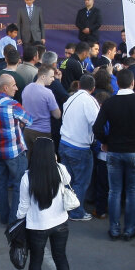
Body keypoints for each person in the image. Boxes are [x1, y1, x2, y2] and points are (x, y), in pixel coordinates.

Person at [93, 68, 135, 240]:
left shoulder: (109, 103)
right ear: (133, 83)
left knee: (114, 191)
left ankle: (114, 229)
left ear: (117, 83)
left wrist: (106, 141)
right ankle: (129, 229)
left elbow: (97, 128)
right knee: (132, 192)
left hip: (114, 151)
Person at [17, 138, 74, 270]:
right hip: (60, 223)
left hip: (37, 226)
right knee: (61, 258)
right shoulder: (60, 170)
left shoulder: (27, 177)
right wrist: (56, 162)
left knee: (36, 260)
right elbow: (68, 180)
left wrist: (19, 218)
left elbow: (23, 206)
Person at [0, 73, 34, 225]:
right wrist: (20, 123)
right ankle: (14, 219)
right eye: (14, 85)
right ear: (6, 87)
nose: (16, 88)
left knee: (0, 185)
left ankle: (4, 216)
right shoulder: (13, 105)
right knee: (18, 185)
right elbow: (29, 120)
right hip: (14, 151)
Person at [59, 74, 100, 222]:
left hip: (64, 143)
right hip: (79, 147)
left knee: (68, 180)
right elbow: (97, 123)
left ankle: (67, 208)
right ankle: (76, 212)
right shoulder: (90, 101)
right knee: (81, 182)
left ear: (79, 85)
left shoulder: (70, 99)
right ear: (93, 88)